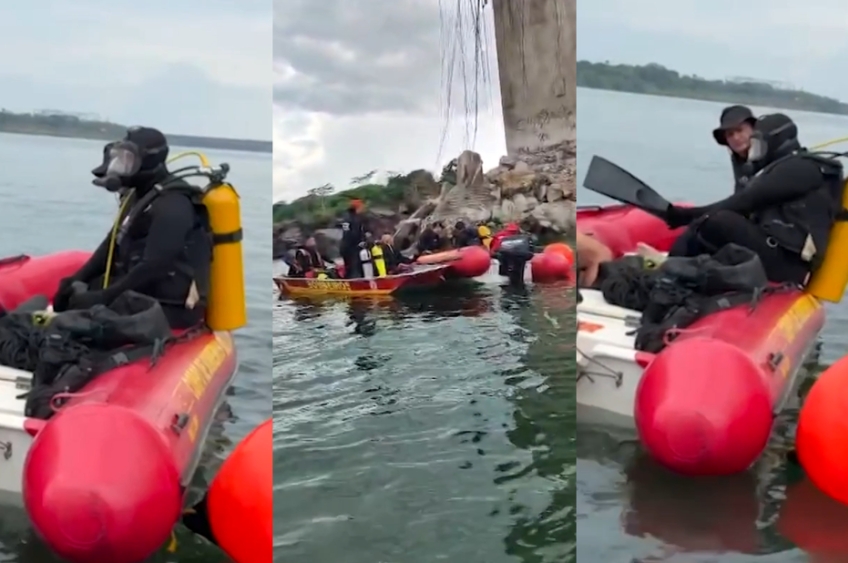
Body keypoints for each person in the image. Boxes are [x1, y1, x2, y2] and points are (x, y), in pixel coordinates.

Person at [52, 126, 212, 329]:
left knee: (77, 323)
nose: (119, 166)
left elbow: (154, 266)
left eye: (127, 159)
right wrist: (75, 279)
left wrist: (102, 298)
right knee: (72, 298)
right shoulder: (138, 195)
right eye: (117, 158)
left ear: (149, 161)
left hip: (168, 307)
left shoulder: (173, 205)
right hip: (137, 295)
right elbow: (112, 243)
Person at [665, 113, 844, 284]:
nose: (755, 151)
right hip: (780, 254)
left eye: (759, 145)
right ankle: (680, 266)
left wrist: (686, 215)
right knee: (715, 221)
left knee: (718, 220)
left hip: (790, 266)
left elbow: (745, 201)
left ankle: (670, 267)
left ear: (777, 142)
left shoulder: (800, 169)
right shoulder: (785, 166)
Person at [712, 105, 757, 192]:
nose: (736, 138)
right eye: (730, 134)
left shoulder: (771, 158)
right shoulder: (738, 159)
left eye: (739, 130)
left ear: (753, 129)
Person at [339, 200, 367, 278]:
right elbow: (349, 233)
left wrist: (363, 240)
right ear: (357, 208)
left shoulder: (353, 217)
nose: (363, 209)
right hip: (350, 247)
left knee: (353, 267)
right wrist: (359, 242)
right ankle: (355, 282)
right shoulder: (350, 218)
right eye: (362, 207)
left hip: (350, 245)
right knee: (354, 268)